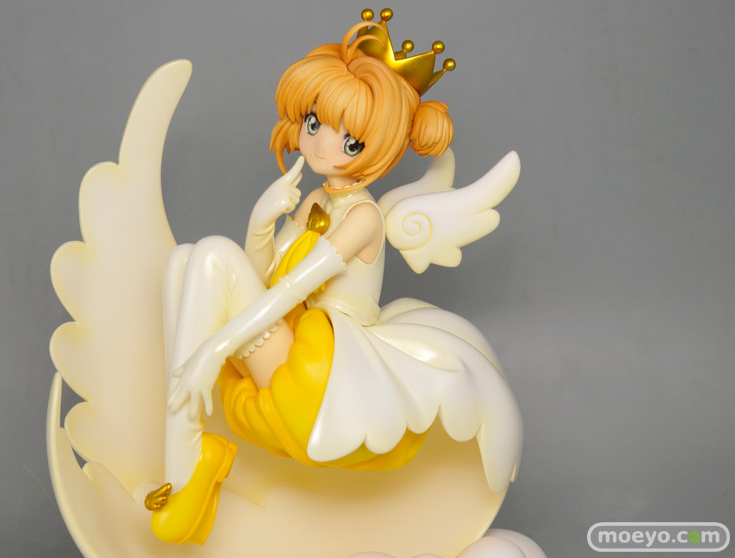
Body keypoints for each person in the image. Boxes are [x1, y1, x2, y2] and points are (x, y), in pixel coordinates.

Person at [144, 10, 522, 546]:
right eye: (314, 123)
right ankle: (186, 461)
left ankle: (185, 475)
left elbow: (290, 291)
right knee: (185, 261)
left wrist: (214, 349)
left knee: (210, 255)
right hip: (290, 335)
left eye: (349, 141)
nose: (321, 145)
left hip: (322, 372)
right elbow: (259, 280)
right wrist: (260, 223)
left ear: (377, 147)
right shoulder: (316, 201)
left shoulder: (363, 217)